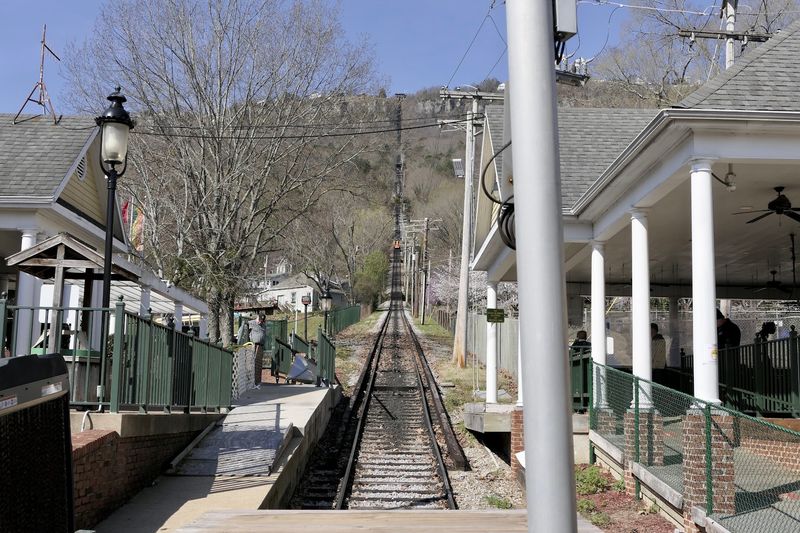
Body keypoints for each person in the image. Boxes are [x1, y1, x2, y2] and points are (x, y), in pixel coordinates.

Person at [249, 314, 267, 387]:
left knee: (259, 365)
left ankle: (258, 382)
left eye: (262, 321)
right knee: (253, 363)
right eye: (259, 320)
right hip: (254, 345)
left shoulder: (263, 325)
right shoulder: (251, 323)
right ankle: (252, 382)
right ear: (257, 318)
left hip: (261, 346)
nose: (260, 322)